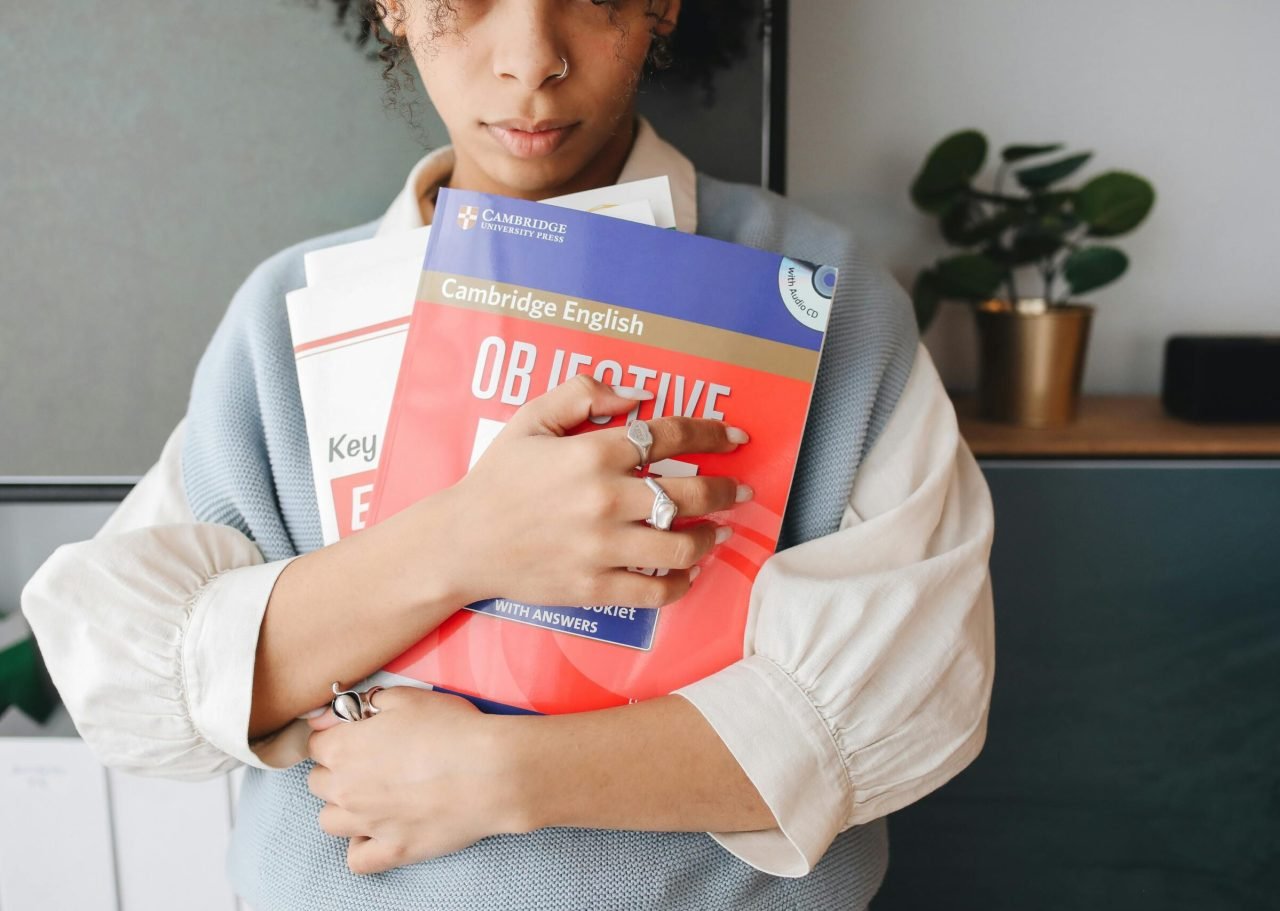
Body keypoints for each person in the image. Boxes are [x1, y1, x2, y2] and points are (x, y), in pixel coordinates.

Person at [22, 1, 996, 909]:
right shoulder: (294, 314)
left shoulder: (821, 297)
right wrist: (464, 542)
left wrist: (500, 774)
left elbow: (909, 689)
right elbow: (135, 664)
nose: (531, 59)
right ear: (390, 3)